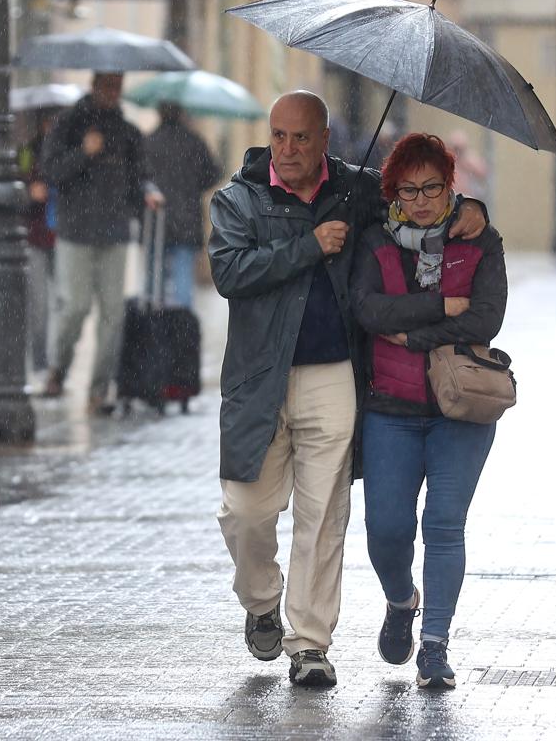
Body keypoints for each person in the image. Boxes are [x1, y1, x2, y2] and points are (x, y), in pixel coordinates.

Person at [207, 91, 486, 687]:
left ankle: (310, 644)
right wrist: (308, 246)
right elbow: (230, 273)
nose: (287, 149)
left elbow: (421, 207)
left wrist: (472, 211)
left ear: (324, 140)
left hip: (334, 373)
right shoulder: (239, 198)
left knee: (323, 513)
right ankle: (261, 601)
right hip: (259, 376)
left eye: (301, 138)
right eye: (279, 136)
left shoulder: (358, 191)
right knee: (246, 511)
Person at [350, 133, 506, 690]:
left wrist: (413, 337)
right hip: (390, 408)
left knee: (443, 524)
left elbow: (486, 318)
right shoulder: (374, 242)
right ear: (392, 191)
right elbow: (368, 309)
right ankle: (401, 599)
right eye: (408, 189)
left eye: (432, 187)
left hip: (460, 407)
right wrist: (442, 306)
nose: (420, 200)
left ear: (450, 186)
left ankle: (435, 645)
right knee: (386, 530)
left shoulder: (481, 241)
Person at [40, 72, 163, 413]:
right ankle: (57, 368)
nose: (114, 93)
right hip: (76, 231)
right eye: (108, 86)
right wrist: (84, 152)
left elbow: (141, 173)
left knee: (113, 316)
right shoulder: (67, 124)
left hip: (115, 231)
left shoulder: (127, 131)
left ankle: (99, 388)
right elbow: (50, 171)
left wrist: (149, 192)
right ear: (94, 86)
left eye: (118, 86)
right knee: (76, 307)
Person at [144, 104, 220, 307]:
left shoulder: (149, 142)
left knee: (154, 284)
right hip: (187, 221)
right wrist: (192, 185)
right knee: (183, 283)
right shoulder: (194, 142)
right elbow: (213, 174)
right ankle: (182, 330)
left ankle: (154, 327)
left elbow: (139, 179)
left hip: (155, 221)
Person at [19, 116, 57, 371]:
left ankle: (57, 362)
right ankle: (41, 361)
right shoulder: (26, 152)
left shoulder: (68, 150)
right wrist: (29, 193)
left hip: (62, 236)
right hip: (35, 237)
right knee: (39, 305)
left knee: (64, 305)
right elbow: (13, 187)